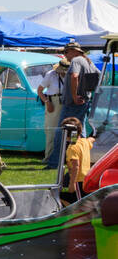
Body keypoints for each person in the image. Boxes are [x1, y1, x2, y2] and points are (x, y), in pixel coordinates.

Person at [50, 39, 99, 170]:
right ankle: (82, 159)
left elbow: (74, 76)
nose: (65, 55)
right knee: (80, 132)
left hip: (73, 103)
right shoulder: (89, 62)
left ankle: (55, 162)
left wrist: (74, 95)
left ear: (73, 51)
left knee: (62, 131)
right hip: (83, 102)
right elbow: (98, 77)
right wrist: (87, 93)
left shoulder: (77, 60)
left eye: (66, 52)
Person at [37, 57, 67, 166]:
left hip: (65, 102)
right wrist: (47, 102)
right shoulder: (51, 74)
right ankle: (48, 157)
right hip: (52, 102)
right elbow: (39, 90)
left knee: (63, 131)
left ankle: (62, 157)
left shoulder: (70, 75)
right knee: (51, 130)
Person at [60, 116, 93, 200]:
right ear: (80, 130)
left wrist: (72, 184)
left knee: (78, 203)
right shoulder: (84, 142)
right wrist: (93, 138)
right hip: (86, 179)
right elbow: (90, 140)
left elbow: (76, 166)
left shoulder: (72, 148)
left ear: (64, 133)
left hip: (78, 181)